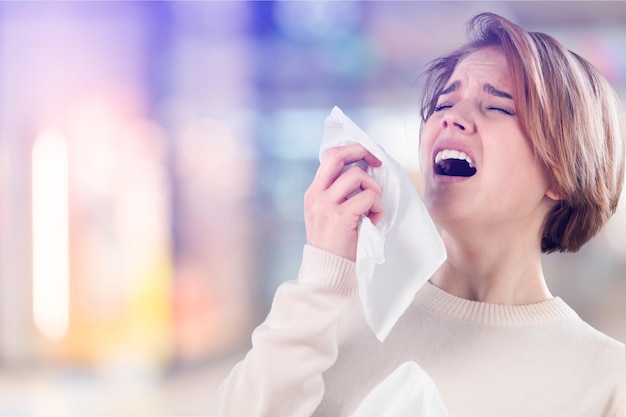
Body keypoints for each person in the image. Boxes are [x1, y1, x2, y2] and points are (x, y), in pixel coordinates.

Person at [218, 12, 625, 417]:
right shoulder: (334, 312)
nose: (449, 116)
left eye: (497, 107)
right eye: (444, 102)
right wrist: (323, 275)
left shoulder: (605, 380)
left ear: (561, 169)